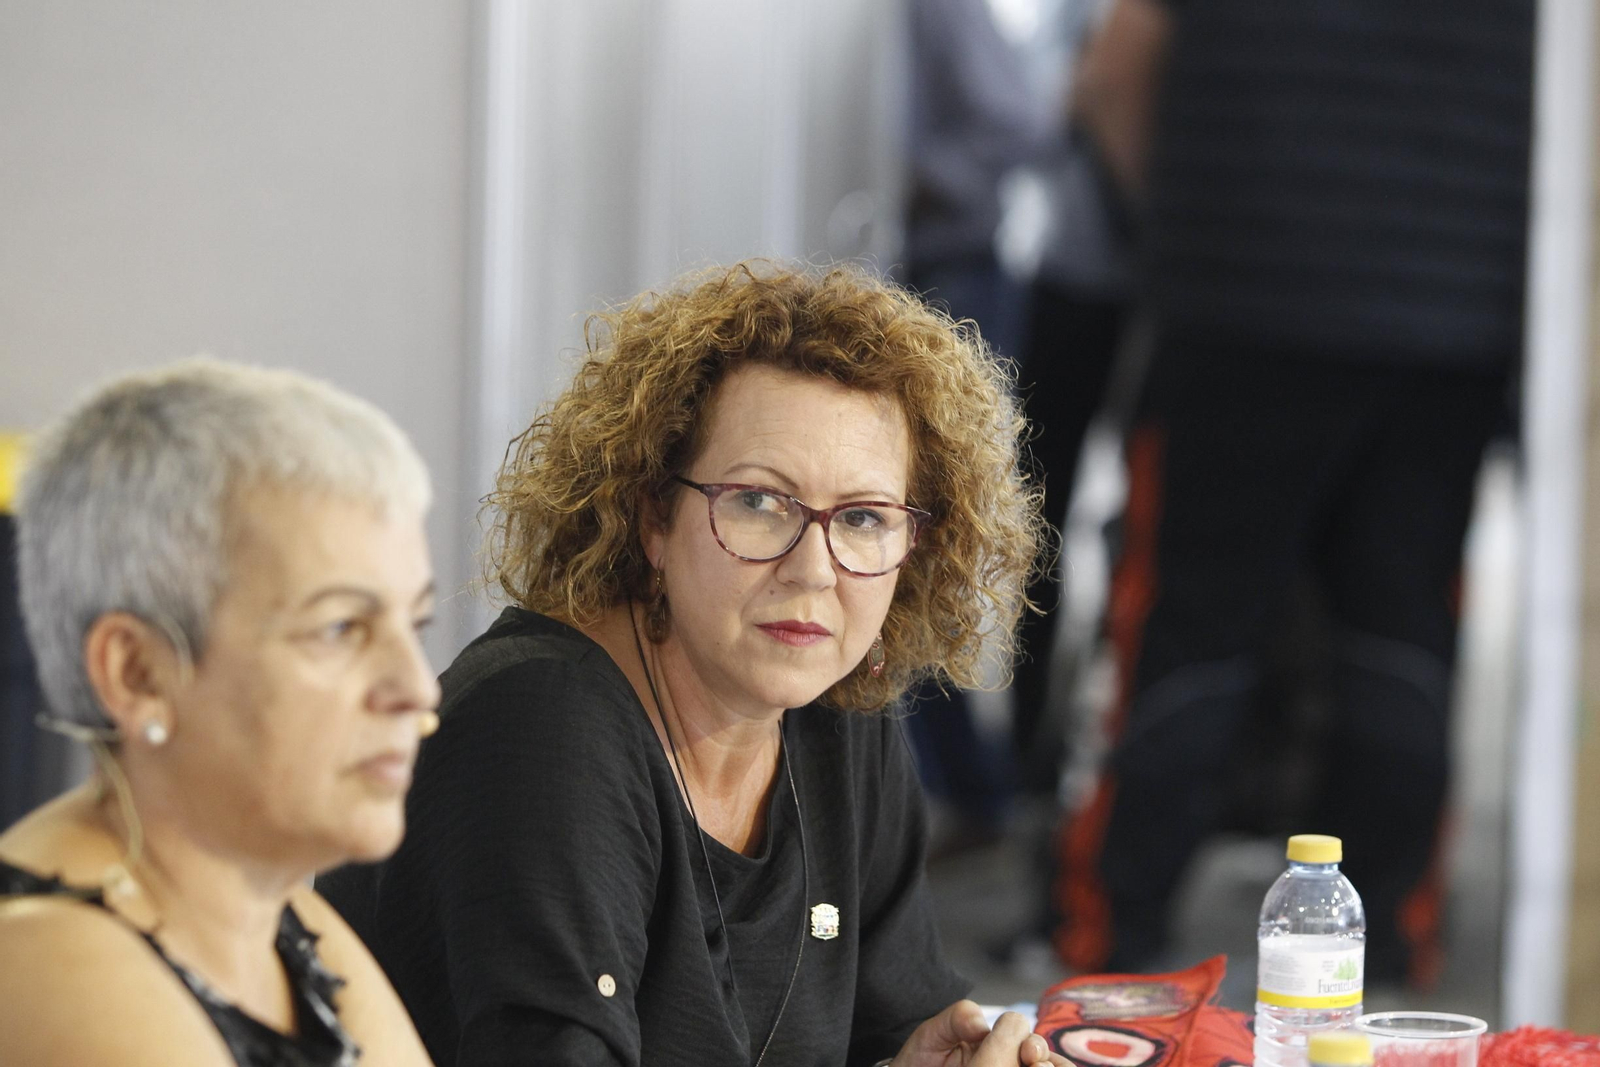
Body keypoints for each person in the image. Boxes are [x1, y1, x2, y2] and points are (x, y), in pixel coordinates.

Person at [321, 262, 1061, 1067]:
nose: (814, 569)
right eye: (758, 501)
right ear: (653, 517)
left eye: (862, 517)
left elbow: (892, 1028)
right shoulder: (541, 731)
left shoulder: (838, 715)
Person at [1055, 0, 1532, 983]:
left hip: (1240, 313)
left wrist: (1186, 223)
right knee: (1404, 635)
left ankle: (1110, 935)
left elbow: (1109, 78)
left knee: (1184, 625)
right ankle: (1388, 943)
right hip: (1448, 329)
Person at [0, 360, 441, 1066]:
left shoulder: (289, 924)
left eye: (413, 625)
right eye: (339, 628)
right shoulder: (47, 959)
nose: (417, 687)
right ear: (138, 673)